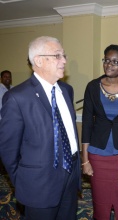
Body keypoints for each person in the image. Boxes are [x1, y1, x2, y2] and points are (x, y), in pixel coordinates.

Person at [0, 36, 80, 219]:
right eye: (57, 55)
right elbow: (8, 149)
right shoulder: (17, 97)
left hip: (70, 177)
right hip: (39, 185)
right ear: (38, 60)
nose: (64, 61)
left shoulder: (67, 90)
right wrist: (22, 181)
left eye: (64, 55)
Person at [81, 44, 118, 220]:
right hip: (98, 154)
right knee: (100, 202)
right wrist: (85, 160)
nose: (109, 64)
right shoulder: (92, 87)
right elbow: (86, 123)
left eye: (115, 62)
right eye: (106, 60)